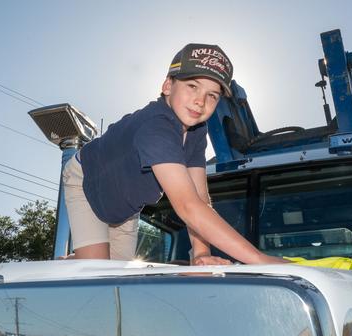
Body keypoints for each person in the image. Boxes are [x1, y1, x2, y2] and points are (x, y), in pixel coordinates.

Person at [62, 43, 288, 265]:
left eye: (212, 95)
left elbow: (200, 198)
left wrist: (201, 252)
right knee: (97, 277)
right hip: (88, 182)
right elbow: (188, 206)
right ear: (167, 86)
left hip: (124, 205)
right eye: (192, 86)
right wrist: (260, 259)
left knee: (117, 284)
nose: (201, 101)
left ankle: (80, 260)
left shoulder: (197, 131)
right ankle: (78, 263)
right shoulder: (156, 127)